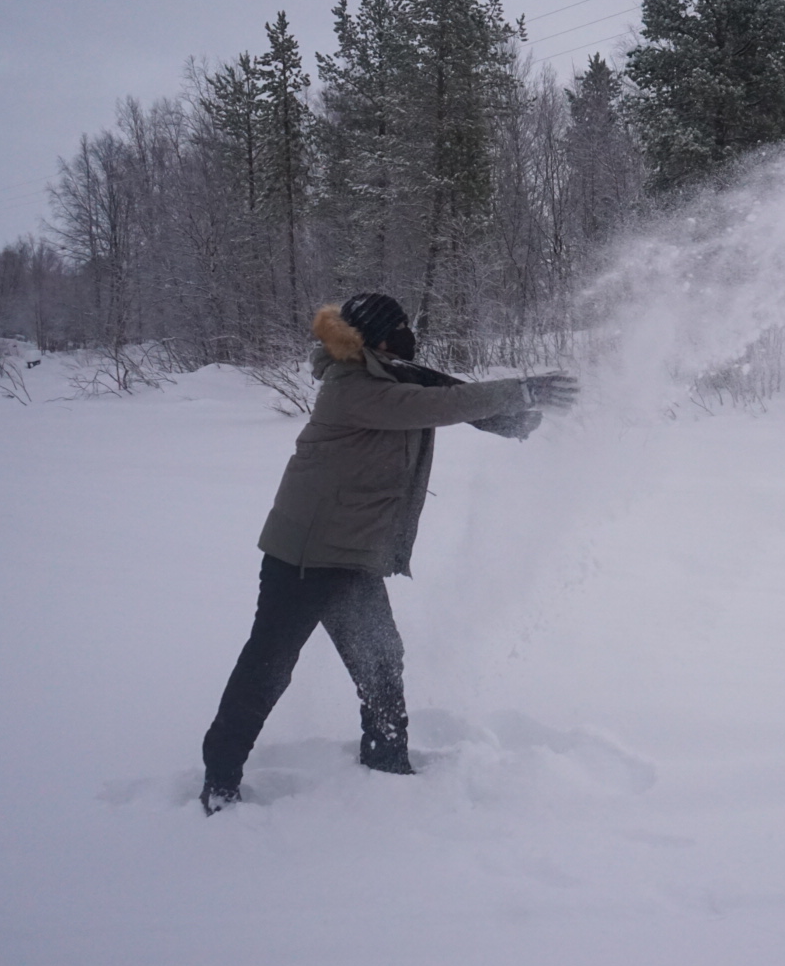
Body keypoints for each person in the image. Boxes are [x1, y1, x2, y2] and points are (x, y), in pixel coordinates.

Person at [199, 293, 578, 815]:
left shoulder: (388, 374)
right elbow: (432, 406)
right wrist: (522, 391)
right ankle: (219, 779)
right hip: (305, 558)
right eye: (397, 326)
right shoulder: (351, 388)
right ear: (373, 336)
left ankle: (387, 762)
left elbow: (438, 388)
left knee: (380, 661)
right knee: (269, 666)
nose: (407, 333)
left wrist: (506, 419)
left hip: (351, 557)